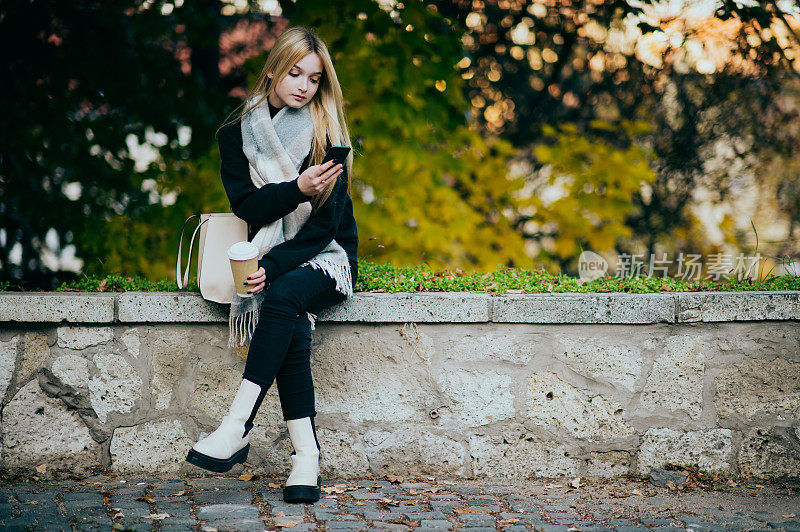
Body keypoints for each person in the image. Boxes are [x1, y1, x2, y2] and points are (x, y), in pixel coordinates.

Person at [185, 26, 358, 504]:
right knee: (289, 321)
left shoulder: (329, 138)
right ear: (273, 72)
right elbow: (248, 208)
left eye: (315, 78)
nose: (304, 85)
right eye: (295, 73)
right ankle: (306, 457)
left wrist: (274, 265)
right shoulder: (235, 136)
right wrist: (295, 190)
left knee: (281, 296)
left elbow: (326, 230)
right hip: (273, 257)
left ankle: (235, 425)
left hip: (328, 259)